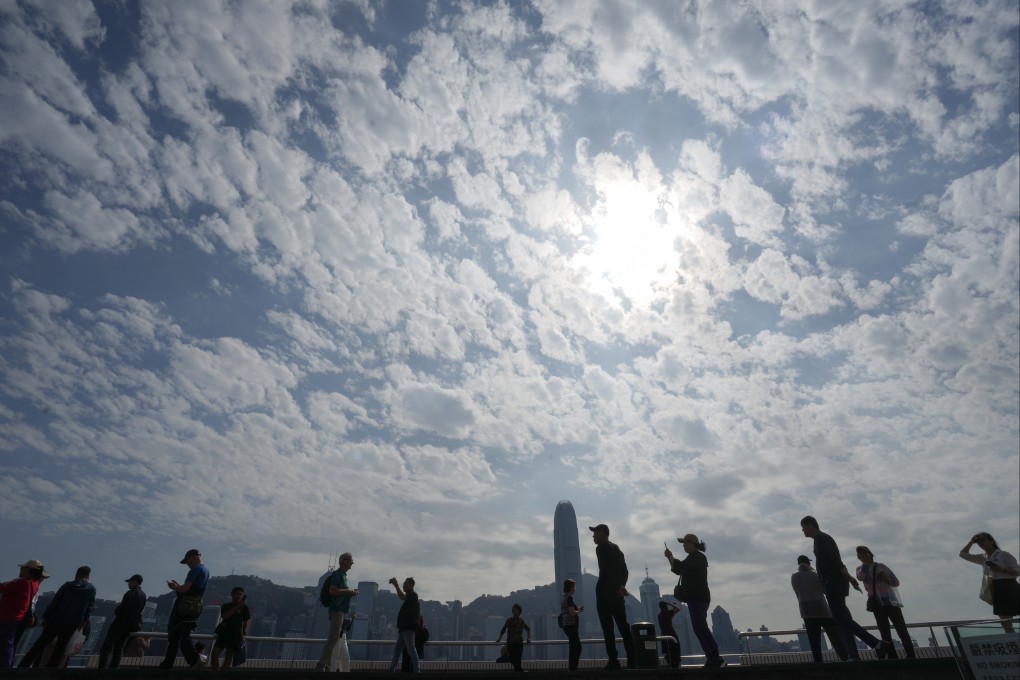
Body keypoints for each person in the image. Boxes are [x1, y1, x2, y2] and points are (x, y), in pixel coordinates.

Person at [800, 516, 890, 660]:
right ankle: (853, 655)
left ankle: (876, 643)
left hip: (833, 584)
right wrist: (848, 579)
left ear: (810, 525)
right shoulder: (822, 539)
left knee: (840, 618)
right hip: (834, 584)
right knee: (843, 620)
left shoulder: (821, 539)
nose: (802, 530)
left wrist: (848, 577)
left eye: (803, 526)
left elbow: (835, 560)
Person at [664, 534, 725, 668]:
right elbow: (679, 569)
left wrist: (671, 557)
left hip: (698, 598)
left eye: (685, 543)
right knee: (698, 628)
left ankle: (714, 656)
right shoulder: (691, 558)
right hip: (694, 599)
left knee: (701, 627)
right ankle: (711, 657)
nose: (684, 545)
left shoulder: (699, 558)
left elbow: (683, 567)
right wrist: (670, 558)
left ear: (692, 543)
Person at [19, 565, 96, 668]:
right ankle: (50, 671)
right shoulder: (91, 589)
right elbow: (90, 607)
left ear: (76, 574)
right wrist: (84, 621)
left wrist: (46, 617)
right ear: (88, 576)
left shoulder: (67, 586)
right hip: (73, 623)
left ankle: (23, 666)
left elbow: (55, 602)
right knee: (61, 648)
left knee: (39, 645)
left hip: (55, 620)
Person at [855, 546, 915, 658]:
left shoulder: (882, 566)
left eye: (864, 553)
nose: (863, 556)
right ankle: (892, 656)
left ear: (870, 553)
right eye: (860, 555)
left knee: (901, 629)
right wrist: (864, 564)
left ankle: (911, 655)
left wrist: (887, 578)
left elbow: (896, 582)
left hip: (890, 601)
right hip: (877, 603)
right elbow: (861, 577)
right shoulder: (860, 569)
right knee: (884, 632)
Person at [589, 523, 634, 670]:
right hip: (617, 595)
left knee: (608, 630)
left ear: (602, 532)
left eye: (595, 532)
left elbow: (606, 570)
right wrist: (621, 587)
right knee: (624, 627)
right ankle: (633, 659)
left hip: (605, 594)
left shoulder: (601, 548)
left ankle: (613, 661)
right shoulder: (617, 549)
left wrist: (615, 587)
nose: (593, 536)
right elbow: (624, 571)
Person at [159, 548, 210, 669]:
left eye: (187, 561)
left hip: (184, 608)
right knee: (184, 636)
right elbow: (194, 589)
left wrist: (174, 587)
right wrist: (179, 586)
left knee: (175, 635)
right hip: (195, 608)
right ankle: (195, 660)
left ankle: (168, 664)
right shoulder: (206, 569)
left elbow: (185, 589)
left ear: (193, 557)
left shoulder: (195, 569)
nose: (187, 564)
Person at [959, 532, 1020, 633]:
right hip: (996, 587)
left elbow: (1017, 571)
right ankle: (1013, 643)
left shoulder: (1004, 554)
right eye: (978, 541)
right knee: (1005, 621)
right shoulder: (983, 557)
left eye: (983, 540)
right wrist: (971, 542)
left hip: (1010, 586)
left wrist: (1001, 570)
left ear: (991, 541)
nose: (980, 543)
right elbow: (962, 554)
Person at [791, 555, 846, 662]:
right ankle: (845, 658)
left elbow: (797, 591)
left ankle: (818, 663)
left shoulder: (794, 577)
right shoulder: (815, 575)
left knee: (814, 640)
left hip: (806, 610)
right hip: (822, 609)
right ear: (809, 563)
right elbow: (824, 590)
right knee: (835, 637)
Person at [315, 552, 358, 672]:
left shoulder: (344, 576)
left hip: (342, 611)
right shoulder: (337, 574)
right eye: (350, 560)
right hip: (337, 610)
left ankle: (328, 666)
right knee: (333, 637)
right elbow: (333, 591)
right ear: (344, 561)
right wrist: (348, 592)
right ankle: (321, 665)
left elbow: (341, 591)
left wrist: (350, 591)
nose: (352, 563)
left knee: (334, 639)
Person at [0, 560, 47, 667]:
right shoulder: (34, 584)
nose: (20, 569)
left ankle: (5, 667)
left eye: (23, 568)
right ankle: (6, 666)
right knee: (8, 643)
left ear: (28, 570)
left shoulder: (22, 582)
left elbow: (2, 587)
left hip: (8, 616)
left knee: (6, 643)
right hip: (18, 618)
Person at [98, 574, 147, 669]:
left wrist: (117, 610)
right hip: (130, 626)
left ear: (135, 581)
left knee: (107, 646)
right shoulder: (143, 595)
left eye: (130, 581)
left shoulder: (130, 593)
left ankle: (101, 670)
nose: (128, 583)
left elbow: (123, 609)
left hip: (120, 624)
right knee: (119, 648)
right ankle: (113, 670)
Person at [210, 586, 251, 669]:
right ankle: (214, 672)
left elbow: (245, 621)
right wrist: (237, 606)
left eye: (240, 594)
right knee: (215, 652)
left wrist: (243, 633)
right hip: (224, 632)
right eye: (237, 594)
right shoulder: (226, 606)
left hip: (235, 634)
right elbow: (224, 616)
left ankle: (222, 674)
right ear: (232, 595)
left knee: (229, 654)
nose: (239, 596)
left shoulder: (244, 608)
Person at [386, 576, 421, 673]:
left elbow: (402, 597)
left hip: (408, 628)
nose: (404, 585)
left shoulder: (413, 595)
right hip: (403, 628)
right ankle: (391, 669)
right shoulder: (409, 597)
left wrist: (396, 584)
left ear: (411, 585)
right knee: (397, 650)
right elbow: (402, 597)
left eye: (405, 584)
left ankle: (417, 671)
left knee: (411, 649)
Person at [495, 603, 532, 672]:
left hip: (519, 643)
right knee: (512, 658)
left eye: (517, 611)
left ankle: (518, 671)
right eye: (514, 611)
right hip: (511, 643)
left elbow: (528, 629)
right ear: (512, 612)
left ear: (519, 612)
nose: (515, 613)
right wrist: (499, 639)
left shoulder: (521, 621)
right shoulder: (509, 620)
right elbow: (503, 629)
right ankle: (519, 671)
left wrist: (529, 638)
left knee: (518, 659)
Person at [560, 578, 584, 671]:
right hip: (571, 625)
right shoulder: (569, 597)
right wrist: (579, 611)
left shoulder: (563, 597)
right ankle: (573, 668)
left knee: (573, 646)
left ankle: (572, 667)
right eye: (574, 587)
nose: (575, 589)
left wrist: (577, 609)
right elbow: (571, 612)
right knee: (578, 647)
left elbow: (567, 610)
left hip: (566, 625)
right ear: (570, 588)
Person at [657, 601, 682, 668]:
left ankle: (671, 664)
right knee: (676, 649)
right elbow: (678, 609)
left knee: (668, 651)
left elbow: (670, 618)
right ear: (666, 606)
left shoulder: (659, 615)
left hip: (664, 636)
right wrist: (670, 603)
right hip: (671, 634)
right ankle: (676, 664)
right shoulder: (668, 613)